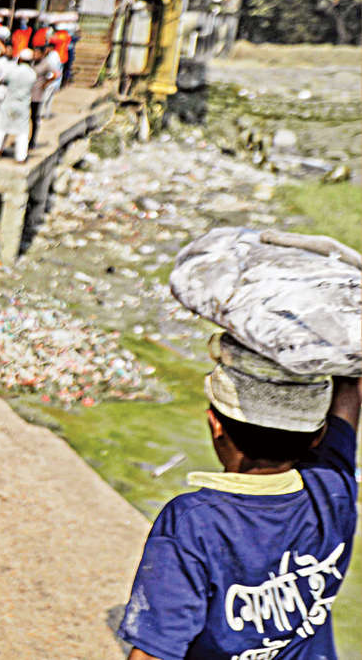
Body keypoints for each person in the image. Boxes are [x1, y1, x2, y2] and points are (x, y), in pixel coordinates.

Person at [118, 230, 359, 660]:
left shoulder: (194, 521)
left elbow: (154, 651)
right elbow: (349, 393)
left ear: (215, 425)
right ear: (318, 435)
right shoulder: (333, 488)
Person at [0, 48, 36, 163]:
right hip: (23, 105)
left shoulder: (13, 71)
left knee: (0, 129)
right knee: (22, 132)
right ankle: (21, 157)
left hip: (9, 102)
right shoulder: (32, 74)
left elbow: (3, 80)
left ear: (20, 59)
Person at [29, 44, 62, 148]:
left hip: (37, 94)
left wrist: (46, 83)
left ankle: (32, 140)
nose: (35, 55)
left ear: (42, 54)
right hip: (28, 92)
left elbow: (57, 74)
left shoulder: (46, 63)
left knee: (34, 118)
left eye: (38, 53)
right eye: (34, 52)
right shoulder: (31, 62)